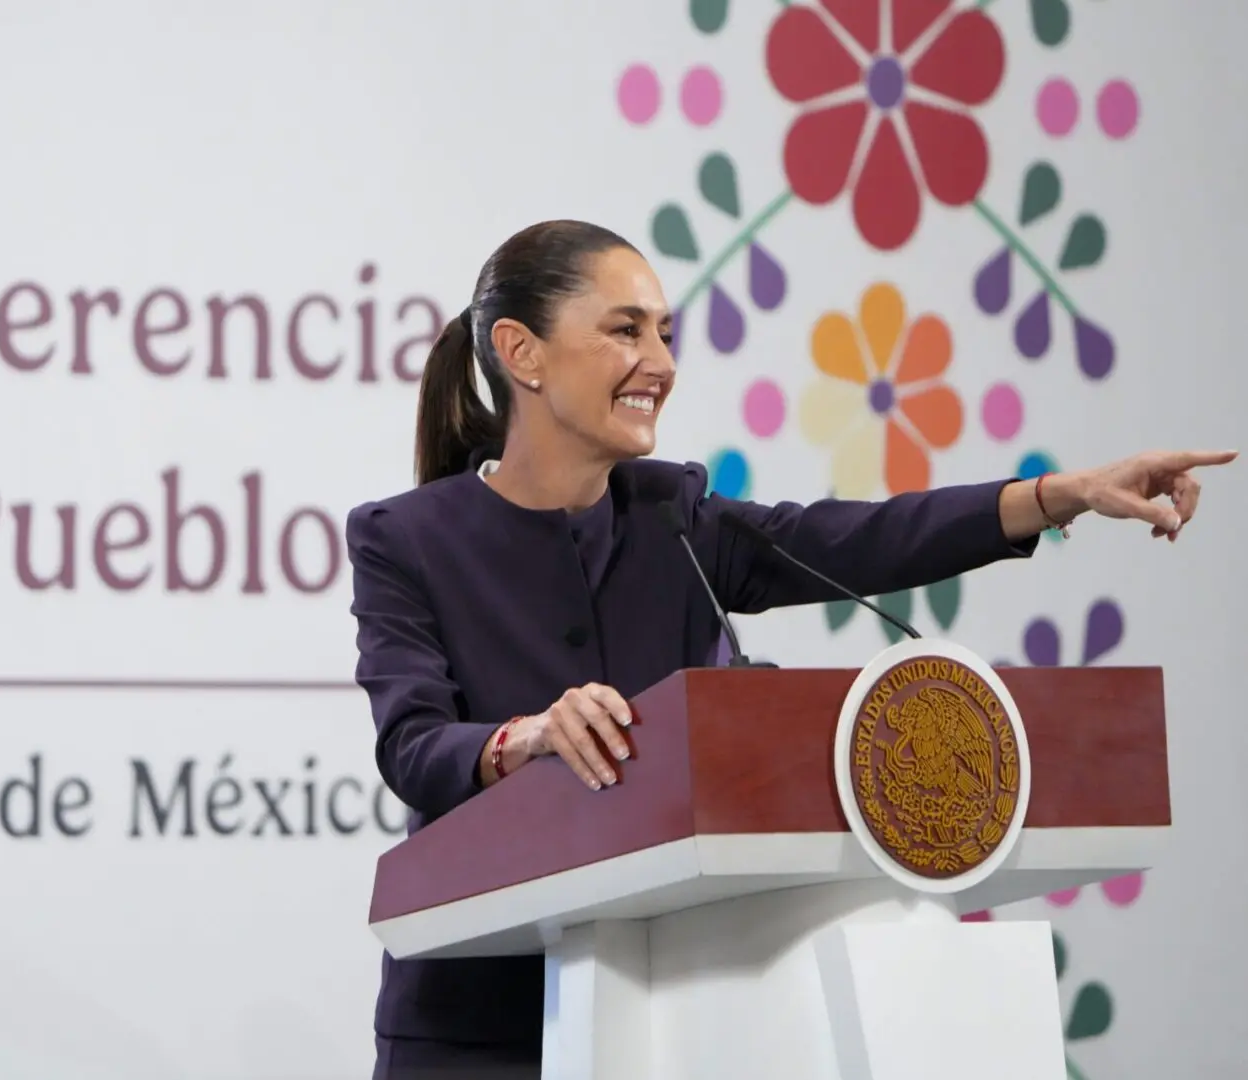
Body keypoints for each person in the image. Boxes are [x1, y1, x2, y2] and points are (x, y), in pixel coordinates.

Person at [344, 219, 1233, 1078]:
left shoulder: (673, 515)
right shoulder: (405, 538)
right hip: (475, 1030)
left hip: (677, 1020)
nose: (659, 362)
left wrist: (1059, 494)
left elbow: (861, 540)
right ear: (521, 352)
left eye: (664, 332)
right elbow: (415, 746)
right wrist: (526, 739)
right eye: (624, 330)